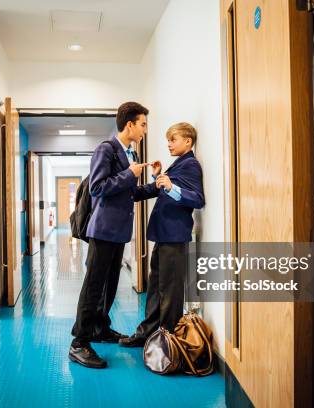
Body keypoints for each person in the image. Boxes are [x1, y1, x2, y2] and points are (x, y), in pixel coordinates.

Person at [69, 102, 150, 369]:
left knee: (110, 286)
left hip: (118, 233)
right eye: (143, 124)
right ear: (130, 124)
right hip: (103, 231)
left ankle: (100, 329)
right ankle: (79, 342)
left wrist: (157, 185)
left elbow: (130, 193)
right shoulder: (107, 149)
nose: (144, 130)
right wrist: (129, 174)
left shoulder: (131, 154)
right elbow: (98, 187)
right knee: (93, 287)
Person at [119, 122, 205, 347]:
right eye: (168, 140)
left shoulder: (191, 164)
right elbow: (160, 188)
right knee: (156, 288)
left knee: (171, 293)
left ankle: (168, 342)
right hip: (164, 236)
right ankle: (147, 333)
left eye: (172, 140)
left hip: (175, 238)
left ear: (188, 141)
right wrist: (158, 176)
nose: (168, 144)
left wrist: (171, 187)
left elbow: (198, 199)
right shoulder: (177, 164)